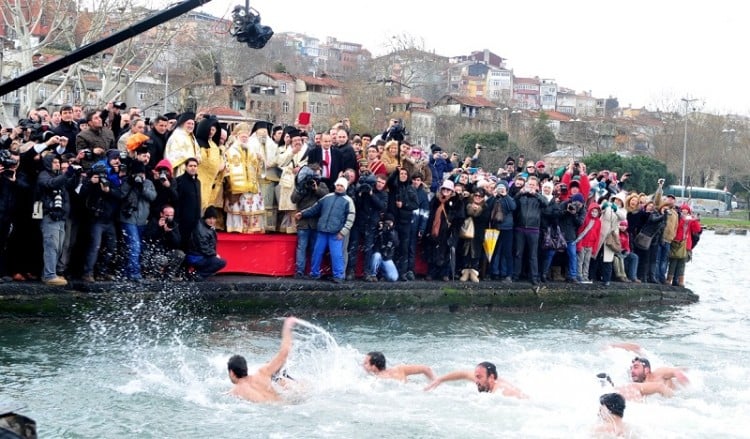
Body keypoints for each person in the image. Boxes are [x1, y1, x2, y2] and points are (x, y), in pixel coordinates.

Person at [294, 177, 355, 283]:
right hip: (322, 230)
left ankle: (339, 276)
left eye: (341, 186)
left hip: (336, 232)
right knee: (317, 253)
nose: (339, 187)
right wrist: (302, 213)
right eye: (338, 185)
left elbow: (350, 218)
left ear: (345, 187)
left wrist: (343, 232)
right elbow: (315, 208)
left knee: (337, 255)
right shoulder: (327, 197)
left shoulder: (348, 201)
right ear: (335, 186)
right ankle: (314, 273)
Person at [227, 316, 300, 403]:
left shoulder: (235, 392)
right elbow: (284, 353)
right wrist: (287, 328)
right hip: (288, 406)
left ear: (231, 372)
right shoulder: (262, 373)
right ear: (245, 368)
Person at [424, 361, 527, 398]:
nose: (476, 380)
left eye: (479, 377)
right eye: (476, 376)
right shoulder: (483, 380)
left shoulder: (504, 391)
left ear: (491, 377)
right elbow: (463, 373)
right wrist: (440, 380)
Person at [615, 356, 689, 401]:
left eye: (636, 367)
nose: (632, 371)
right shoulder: (640, 386)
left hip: (681, 397)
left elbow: (675, 371)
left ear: (646, 370)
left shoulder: (659, 373)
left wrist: (679, 374)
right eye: (631, 369)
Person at [186, 206, 227, 280]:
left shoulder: (206, 226)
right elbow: (204, 248)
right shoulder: (202, 230)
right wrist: (214, 254)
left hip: (198, 255)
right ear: (205, 217)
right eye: (209, 218)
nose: (212, 221)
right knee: (221, 262)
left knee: (216, 261)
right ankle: (198, 275)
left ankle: (197, 273)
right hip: (196, 257)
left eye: (214, 218)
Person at [362, 351, 435, 382]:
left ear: (374, 367)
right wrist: (434, 382)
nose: (363, 365)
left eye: (365, 363)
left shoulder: (377, 380)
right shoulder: (400, 369)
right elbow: (426, 369)